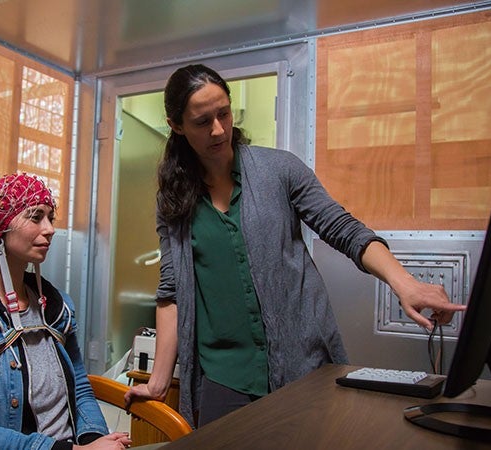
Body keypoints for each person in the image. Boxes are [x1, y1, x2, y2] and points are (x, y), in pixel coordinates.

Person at [123, 64, 466, 428]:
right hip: (224, 380)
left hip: (302, 366)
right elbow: (172, 293)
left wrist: (406, 284)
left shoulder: (279, 170)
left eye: (223, 113)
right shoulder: (174, 202)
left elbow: (343, 229)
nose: (219, 129)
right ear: (176, 125)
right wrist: (158, 382)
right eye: (202, 121)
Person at [0, 173, 132, 450]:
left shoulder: (57, 306)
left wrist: (93, 439)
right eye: (35, 217)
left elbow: (79, 386)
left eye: (50, 218)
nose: (50, 229)